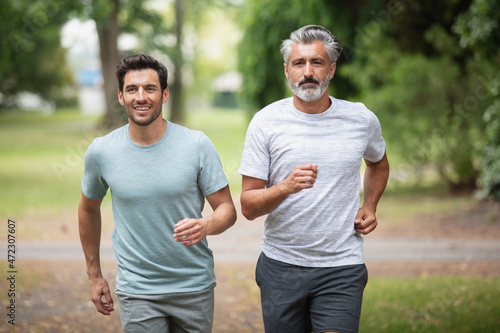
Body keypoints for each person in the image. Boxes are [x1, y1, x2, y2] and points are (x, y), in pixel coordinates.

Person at [239, 25, 389, 333]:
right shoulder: (265, 123)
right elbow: (249, 206)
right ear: (287, 70)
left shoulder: (361, 120)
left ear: (331, 69)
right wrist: (286, 187)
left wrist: (370, 205)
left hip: (341, 266)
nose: (308, 72)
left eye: (317, 62)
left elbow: (379, 163)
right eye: (299, 63)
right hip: (281, 267)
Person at [78, 53, 237, 333]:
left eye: (150, 88)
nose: (141, 96)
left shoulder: (197, 145)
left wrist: (206, 224)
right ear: (120, 96)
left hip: (194, 287)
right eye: (132, 89)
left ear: (164, 94)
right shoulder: (102, 151)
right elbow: (87, 209)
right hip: (138, 289)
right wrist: (94, 276)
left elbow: (227, 209)